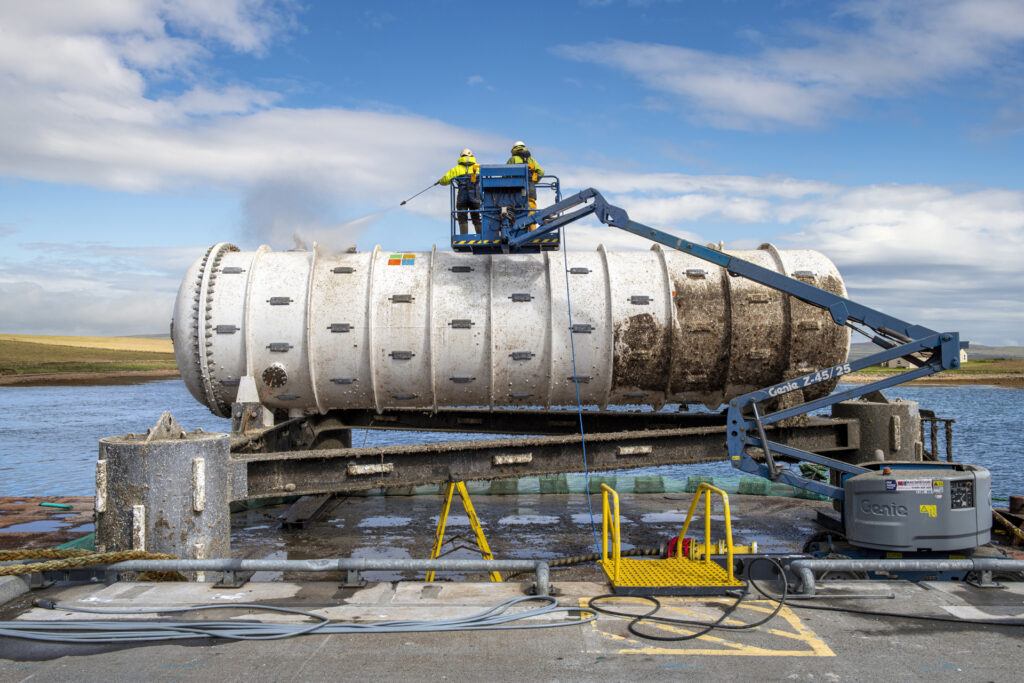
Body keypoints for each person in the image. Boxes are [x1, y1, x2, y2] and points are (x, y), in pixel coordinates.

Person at [438, 148, 482, 235]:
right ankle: (480, 235)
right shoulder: (477, 167)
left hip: (462, 197)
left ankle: (464, 236)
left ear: (461, 156)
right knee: (476, 217)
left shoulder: (456, 169)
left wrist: (440, 181)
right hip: (475, 196)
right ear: (472, 156)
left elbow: (445, 180)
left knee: (462, 216)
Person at [506, 141, 545, 210]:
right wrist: (533, 181)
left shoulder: (512, 159)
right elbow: (541, 172)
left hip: (515, 189)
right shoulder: (531, 159)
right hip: (530, 188)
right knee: (531, 207)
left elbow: (506, 174)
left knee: (514, 208)